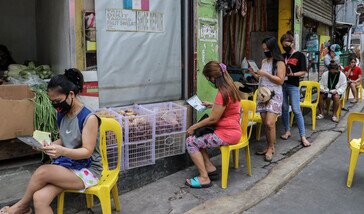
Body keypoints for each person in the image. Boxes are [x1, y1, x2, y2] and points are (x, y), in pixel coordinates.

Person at [0, 68, 102, 214]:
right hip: (70, 165)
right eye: (52, 102)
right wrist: (48, 146)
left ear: (71, 94)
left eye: (57, 101)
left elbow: (87, 151)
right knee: (39, 198)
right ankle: (23, 207)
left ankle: (21, 206)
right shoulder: (62, 113)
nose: (55, 106)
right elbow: (65, 139)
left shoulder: (88, 118)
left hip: (88, 170)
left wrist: (62, 151)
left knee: (43, 172)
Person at [185, 61, 242, 188]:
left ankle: (204, 178)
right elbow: (228, 107)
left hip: (226, 134)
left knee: (190, 141)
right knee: (198, 137)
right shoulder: (231, 88)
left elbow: (213, 119)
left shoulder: (222, 94)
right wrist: (212, 105)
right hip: (233, 130)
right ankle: (210, 168)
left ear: (213, 78)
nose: (208, 81)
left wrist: (193, 126)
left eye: (208, 78)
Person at [248, 37, 285, 162]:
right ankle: (269, 146)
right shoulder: (264, 61)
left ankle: (271, 147)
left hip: (274, 94)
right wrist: (254, 74)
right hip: (263, 94)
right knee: (265, 123)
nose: (265, 50)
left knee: (270, 123)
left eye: (267, 48)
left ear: (273, 48)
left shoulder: (280, 62)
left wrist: (266, 74)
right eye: (263, 49)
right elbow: (261, 78)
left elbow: (280, 80)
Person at [279, 32, 311, 147]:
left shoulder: (299, 55)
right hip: (282, 85)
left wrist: (293, 74)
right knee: (284, 108)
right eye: (283, 45)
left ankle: (303, 136)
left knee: (296, 110)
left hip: (293, 85)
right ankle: (287, 131)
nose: (285, 47)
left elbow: (303, 71)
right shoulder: (282, 56)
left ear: (292, 43)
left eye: (287, 45)